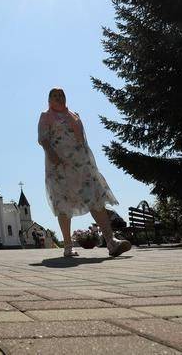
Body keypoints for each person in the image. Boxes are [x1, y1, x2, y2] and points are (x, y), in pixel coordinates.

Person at [38, 88, 131, 258]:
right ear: (49, 99)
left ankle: (111, 242)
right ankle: (67, 246)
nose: (59, 98)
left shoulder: (74, 115)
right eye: (54, 95)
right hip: (59, 164)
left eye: (62, 95)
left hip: (81, 164)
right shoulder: (46, 116)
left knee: (94, 198)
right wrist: (51, 154)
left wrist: (89, 162)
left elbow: (83, 139)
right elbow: (43, 138)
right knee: (63, 202)